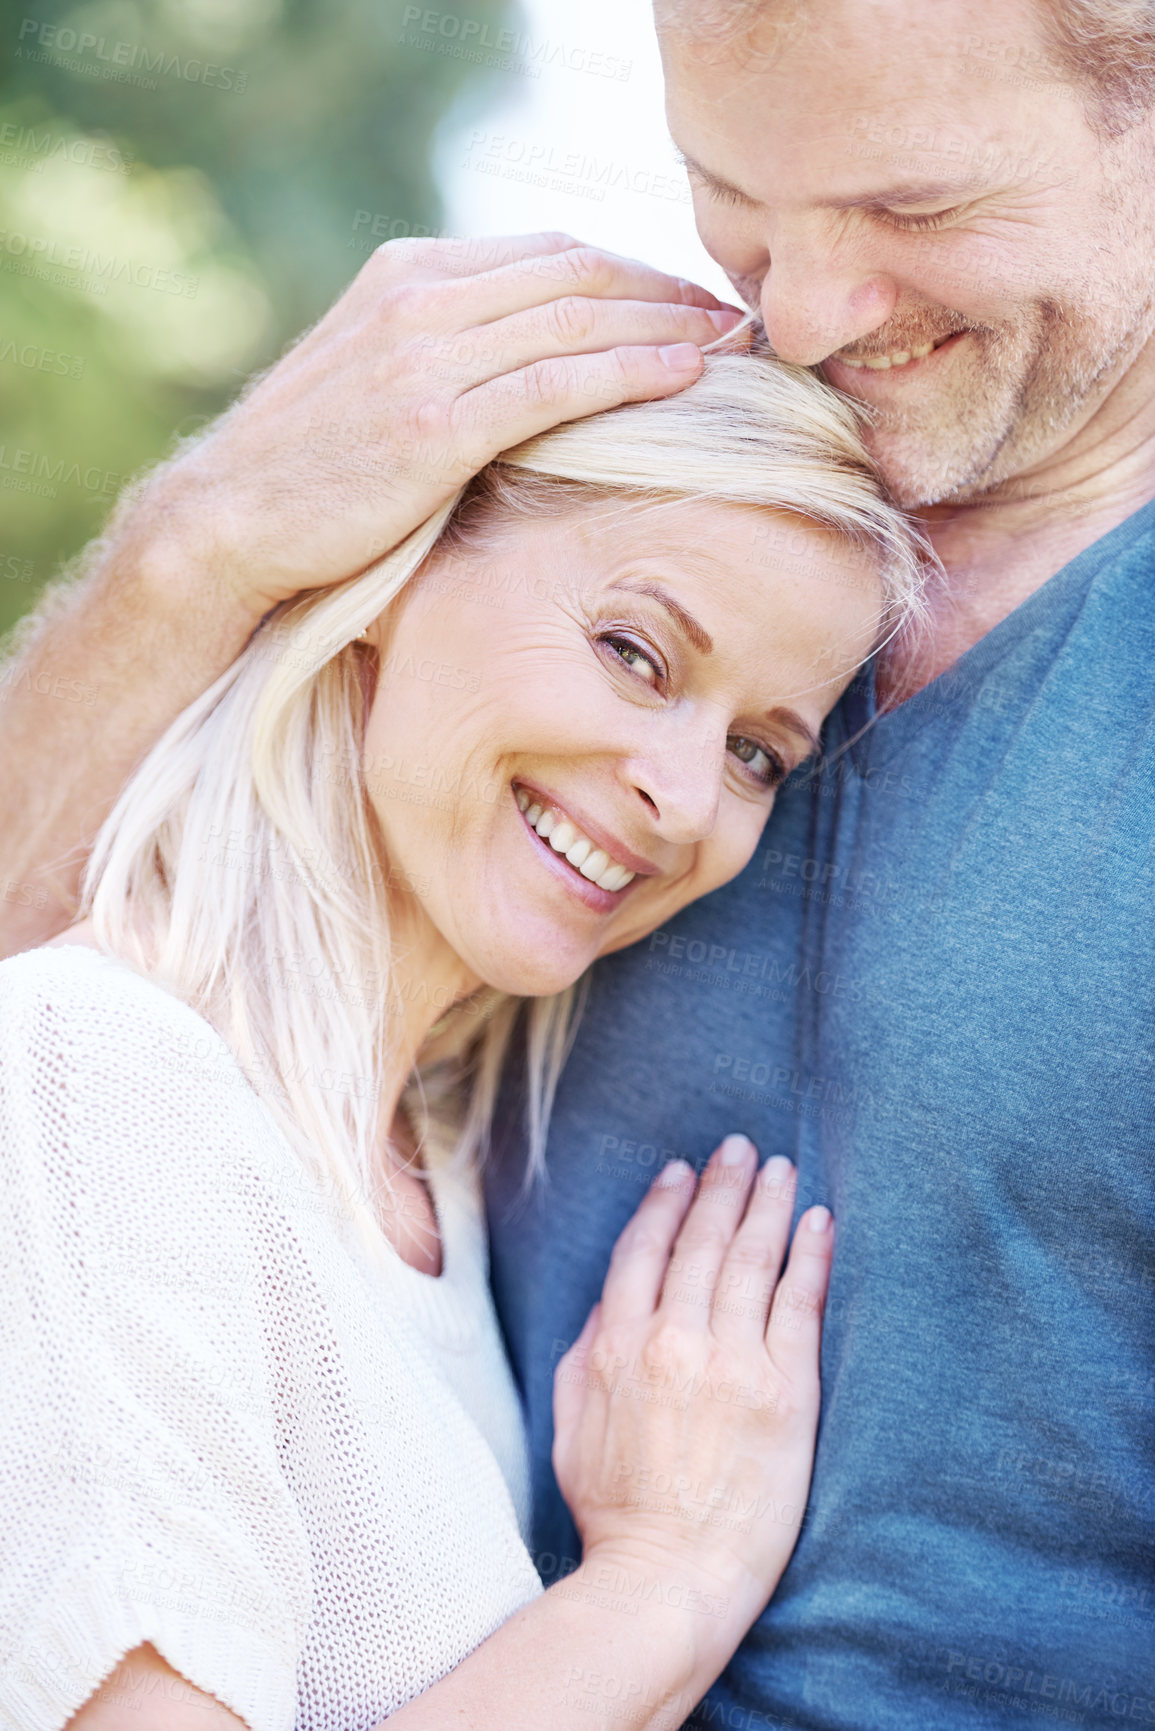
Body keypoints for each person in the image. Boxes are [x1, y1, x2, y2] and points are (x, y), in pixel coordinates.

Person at [1, 0, 1153, 1721]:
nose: (806, 314)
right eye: (734, 197)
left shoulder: (431, 1160)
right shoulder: (149, 1079)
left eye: (914, 211)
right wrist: (203, 547)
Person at [0, 354, 925, 1731]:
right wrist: (664, 1581)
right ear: (401, 561)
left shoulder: (425, 1176)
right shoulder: (96, 1071)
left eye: (755, 754)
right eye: (634, 651)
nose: (681, 800)